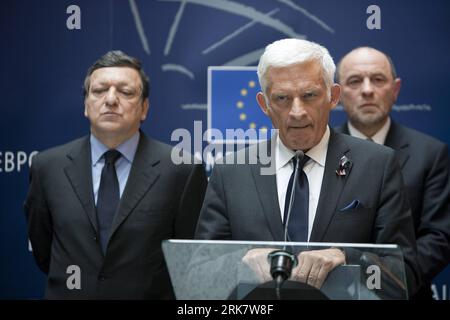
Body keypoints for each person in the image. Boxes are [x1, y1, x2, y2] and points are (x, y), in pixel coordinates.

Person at [195, 39, 420, 296]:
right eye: (282, 98)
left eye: (309, 95)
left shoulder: (377, 165)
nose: (297, 111)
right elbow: (199, 275)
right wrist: (241, 261)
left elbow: (406, 275)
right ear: (263, 104)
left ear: (333, 96)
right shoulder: (231, 171)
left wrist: (347, 257)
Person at [24, 50, 207, 299]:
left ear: (144, 108)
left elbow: (190, 259)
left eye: (126, 92)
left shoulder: (181, 170)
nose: (111, 99)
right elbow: (43, 250)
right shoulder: (47, 167)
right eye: (99, 91)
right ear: (86, 105)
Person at [335, 46, 450, 299]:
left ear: (395, 89)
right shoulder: (320, 151)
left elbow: (439, 237)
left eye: (378, 79)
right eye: (355, 81)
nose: (367, 90)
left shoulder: (431, 154)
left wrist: (386, 279)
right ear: (338, 94)